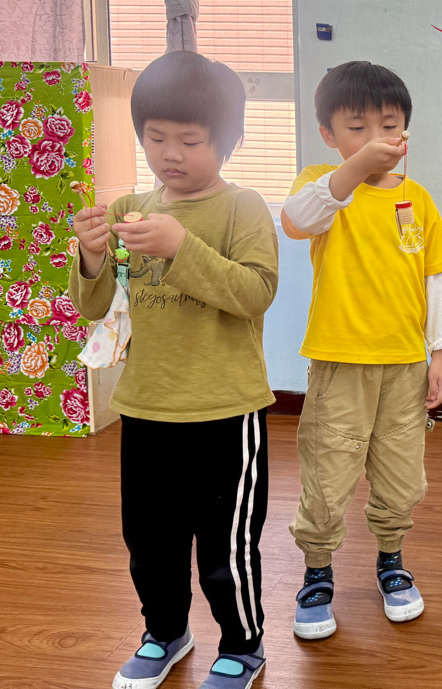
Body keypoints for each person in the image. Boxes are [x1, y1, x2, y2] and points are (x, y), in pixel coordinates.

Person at [70, 50, 278, 689]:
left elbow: (254, 293)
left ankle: (242, 645)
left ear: (228, 140)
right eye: (156, 137)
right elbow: (97, 308)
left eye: (190, 140)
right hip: (145, 407)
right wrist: (89, 256)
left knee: (225, 546)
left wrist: (181, 247)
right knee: (150, 541)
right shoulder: (128, 207)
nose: (171, 154)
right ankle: (164, 632)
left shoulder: (243, 208)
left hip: (226, 410)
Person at [281, 61, 442, 639]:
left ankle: (391, 560)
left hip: (405, 366)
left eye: (389, 125)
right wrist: (353, 170)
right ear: (329, 134)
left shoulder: (418, 199)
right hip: (340, 363)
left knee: (402, 475)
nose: (376, 138)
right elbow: (297, 220)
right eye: (357, 128)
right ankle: (317, 572)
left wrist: (439, 353)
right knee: (329, 473)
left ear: (405, 130)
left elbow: (434, 282)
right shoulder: (324, 185)